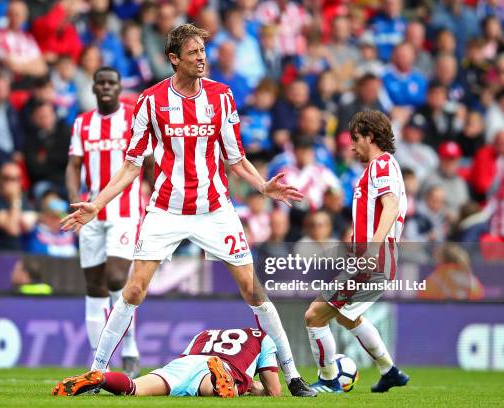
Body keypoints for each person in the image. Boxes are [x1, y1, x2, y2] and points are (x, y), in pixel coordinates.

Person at [61, 23, 315, 398]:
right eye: (194, 52)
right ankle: (96, 374)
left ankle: (293, 377)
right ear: (174, 58)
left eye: (203, 51)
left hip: (215, 209)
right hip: (166, 210)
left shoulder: (222, 96)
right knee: (133, 289)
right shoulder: (151, 100)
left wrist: (262, 185)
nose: (202, 58)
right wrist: (96, 204)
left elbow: (235, 157)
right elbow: (132, 164)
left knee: (252, 289)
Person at [304, 111, 410, 393]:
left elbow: (391, 206)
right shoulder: (377, 169)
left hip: (373, 260)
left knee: (314, 316)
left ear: (370, 137)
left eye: (355, 139)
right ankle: (389, 371)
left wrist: (372, 248)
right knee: (344, 316)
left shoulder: (382, 165)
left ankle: (328, 380)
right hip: (373, 259)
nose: (352, 146)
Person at [65, 67, 142, 379]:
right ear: (94, 88)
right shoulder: (83, 123)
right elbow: (73, 166)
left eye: (112, 82)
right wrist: (75, 201)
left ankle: (131, 347)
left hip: (124, 211)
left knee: (114, 278)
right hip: (91, 213)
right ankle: (100, 367)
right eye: (101, 83)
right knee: (94, 286)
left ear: (119, 86)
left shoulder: (133, 117)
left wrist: (149, 195)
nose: (107, 87)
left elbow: (147, 162)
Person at [52, 327, 281, 398]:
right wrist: (255, 388)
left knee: (134, 389)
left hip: (186, 362)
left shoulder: (205, 333)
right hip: (223, 365)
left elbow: (187, 357)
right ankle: (222, 381)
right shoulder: (263, 337)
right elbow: (274, 391)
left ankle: (102, 378)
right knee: (216, 389)